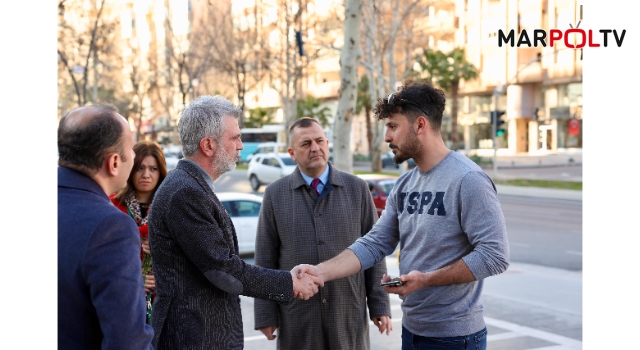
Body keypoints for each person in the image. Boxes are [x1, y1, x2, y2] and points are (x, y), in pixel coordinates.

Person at [294, 81, 510, 350]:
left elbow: (495, 256)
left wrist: (425, 280)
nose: (386, 137)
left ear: (420, 125)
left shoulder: (468, 179)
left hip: (456, 338)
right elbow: (374, 243)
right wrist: (320, 272)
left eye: (393, 126)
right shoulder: (405, 184)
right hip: (412, 332)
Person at [147, 95, 323, 349]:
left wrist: (286, 278)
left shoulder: (189, 185)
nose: (241, 145)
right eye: (235, 137)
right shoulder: (185, 192)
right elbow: (223, 271)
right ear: (208, 145)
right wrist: (289, 282)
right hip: (192, 338)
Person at [253, 117, 392, 349]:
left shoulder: (357, 189)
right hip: (298, 316)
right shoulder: (275, 194)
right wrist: (265, 314)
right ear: (292, 152)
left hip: (347, 313)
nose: (315, 148)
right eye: (306, 143)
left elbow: (375, 251)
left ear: (327, 143)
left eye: (319, 141)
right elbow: (265, 259)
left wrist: (380, 305)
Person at [58, 104, 154, 349]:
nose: (133, 157)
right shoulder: (111, 226)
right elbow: (128, 341)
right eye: (131, 150)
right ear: (113, 163)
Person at [110, 140, 168, 324]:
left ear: (161, 172)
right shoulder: (111, 205)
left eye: (153, 169)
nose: (146, 175)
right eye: (140, 168)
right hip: (122, 303)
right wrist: (135, 280)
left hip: (163, 305)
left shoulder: (170, 208)